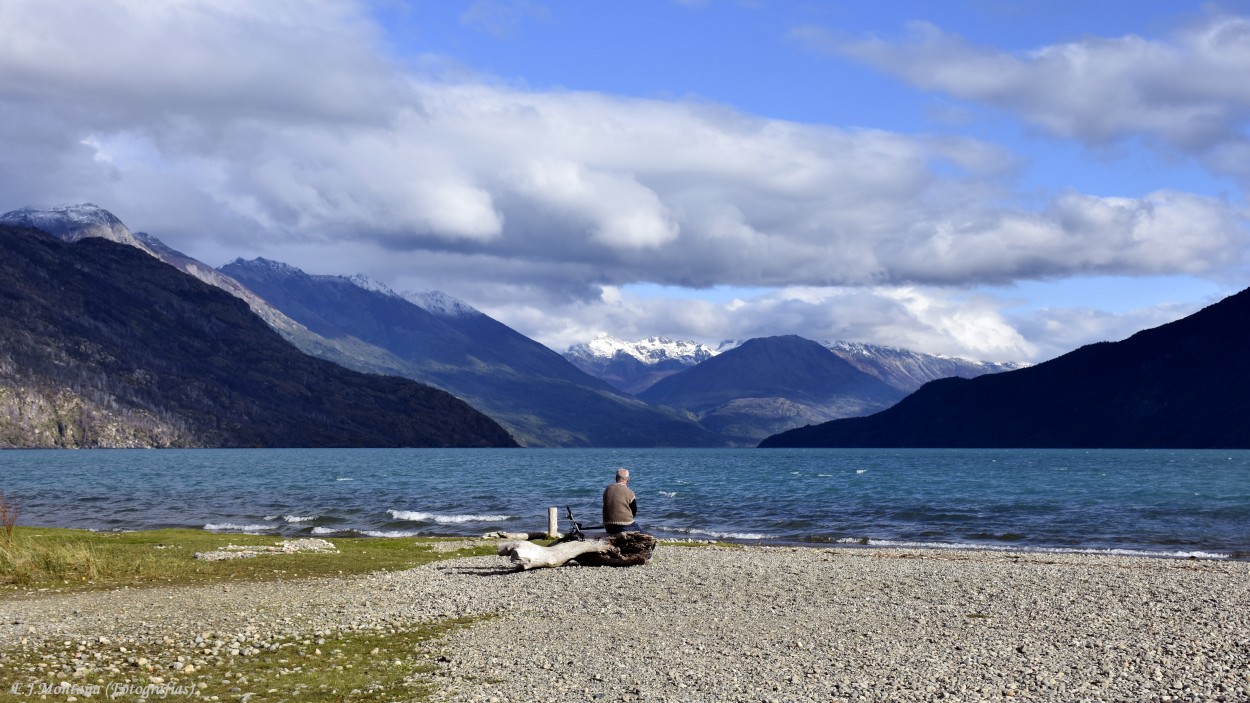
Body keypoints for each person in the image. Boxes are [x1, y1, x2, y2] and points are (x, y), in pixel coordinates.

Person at [602, 468, 639, 534]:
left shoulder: (607, 489)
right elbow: (634, 511)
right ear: (628, 479)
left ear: (616, 478)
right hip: (624, 526)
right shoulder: (630, 493)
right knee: (645, 534)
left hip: (608, 526)